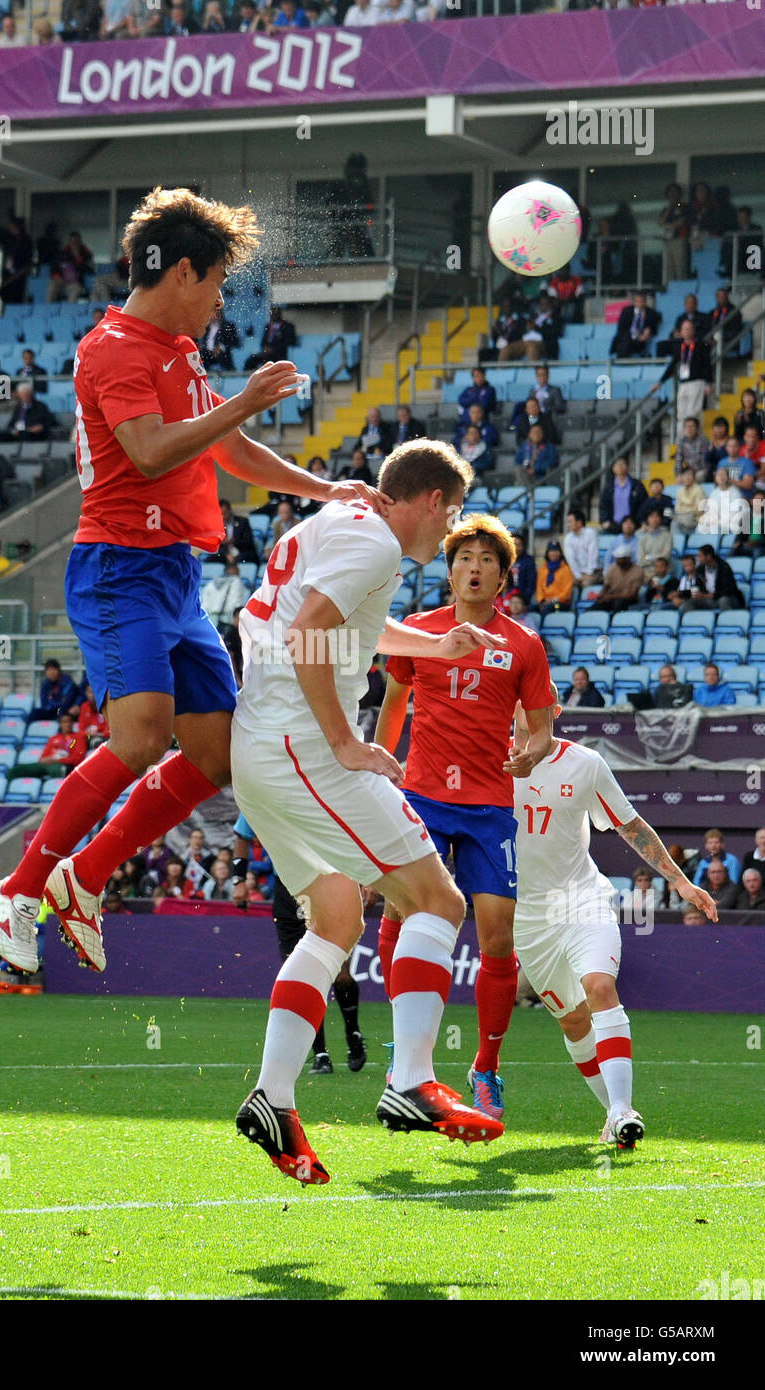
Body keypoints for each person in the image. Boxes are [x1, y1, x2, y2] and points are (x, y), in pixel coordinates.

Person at [0, 186, 384, 978]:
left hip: (173, 574)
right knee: (137, 739)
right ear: (185, 274)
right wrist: (242, 402)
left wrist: (325, 490)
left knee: (214, 753)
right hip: (117, 569)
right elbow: (152, 453)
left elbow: (225, 454)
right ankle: (19, 889)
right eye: (220, 285)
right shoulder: (112, 351)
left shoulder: (178, 351)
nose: (222, 302)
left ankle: (83, 879)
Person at [232, 443, 507, 1184]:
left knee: (334, 921)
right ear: (427, 500)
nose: (449, 529)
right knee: (436, 898)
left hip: (260, 745)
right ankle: (411, 1082)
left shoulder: (345, 522)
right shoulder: (375, 540)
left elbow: (343, 625)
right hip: (301, 744)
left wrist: (435, 643)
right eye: (449, 511)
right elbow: (311, 630)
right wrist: (344, 741)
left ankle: (273, 1099)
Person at [372, 510, 554, 1124]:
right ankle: (407, 1059)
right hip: (421, 795)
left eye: (487, 562)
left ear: (503, 577)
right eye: (464, 560)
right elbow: (394, 705)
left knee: (497, 936)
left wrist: (531, 753)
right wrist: (380, 764)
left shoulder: (524, 645)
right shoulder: (417, 633)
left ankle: (486, 1066)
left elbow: (542, 731)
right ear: (449, 572)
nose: (474, 569)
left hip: (490, 807)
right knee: (402, 911)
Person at [511, 691, 716, 1150]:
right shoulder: (488, 764)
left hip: (583, 899)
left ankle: (624, 1110)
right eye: (520, 699)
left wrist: (681, 883)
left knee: (600, 987)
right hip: (529, 915)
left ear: (555, 712)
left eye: (539, 701)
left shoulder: (585, 763)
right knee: (571, 1021)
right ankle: (611, 1113)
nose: (527, 708)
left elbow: (631, 825)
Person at [235, 809, 366, 1074]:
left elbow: (352, 832)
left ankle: (353, 1033)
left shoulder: (318, 784)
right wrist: (239, 880)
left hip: (330, 882)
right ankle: (320, 1054)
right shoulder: (261, 786)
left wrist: (364, 879)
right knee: (301, 974)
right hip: (287, 891)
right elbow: (242, 833)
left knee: (341, 975)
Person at [655, 320, 712, 434]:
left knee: (693, 413)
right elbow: (672, 365)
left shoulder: (700, 345)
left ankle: (695, 440)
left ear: (693, 331)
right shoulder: (679, 347)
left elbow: (707, 365)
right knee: (681, 414)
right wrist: (660, 382)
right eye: (684, 329)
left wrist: (708, 383)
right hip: (683, 384)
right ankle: (681, 439)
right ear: (680, 332)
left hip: (697, 382)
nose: (687, 331)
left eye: (689, 329)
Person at [8, 713, 88, 782]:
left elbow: (78, 758)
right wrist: (46, 759)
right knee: (15, 770)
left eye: (69, 722)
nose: (67, 724)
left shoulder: (78, 737)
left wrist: (58, 760)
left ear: (72, 723)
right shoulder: (54, 738)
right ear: (60, 724)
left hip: (63, 765)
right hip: (47, 764)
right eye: (64, 722)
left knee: (57, 769)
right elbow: (43, 758)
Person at [683, 545, 744, 612]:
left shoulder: (724, 567)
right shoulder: (700, 569)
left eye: (700, 556)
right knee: (688, 603)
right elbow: (697, 586)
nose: (698, 558)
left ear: (708, 556)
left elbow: (730, 590)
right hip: (708, 599)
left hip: (723, 597)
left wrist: (711, 595)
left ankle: (727, 620)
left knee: (723, 600)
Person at [599, 457, 648, 533]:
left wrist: (643, 521)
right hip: (613, 526)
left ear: (627, 467)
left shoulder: (637, 485)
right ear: (613, 469)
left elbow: (644, 504)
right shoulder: (608, 487)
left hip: (634, 525)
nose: (620, 466)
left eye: (623, 464)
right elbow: (603, 506)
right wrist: (604, 520)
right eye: (617, 465)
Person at [243, 304, 297, 369]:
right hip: (267, 352)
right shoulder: (268, 326)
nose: (273, 315)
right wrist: (265, 348)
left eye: (275, 313)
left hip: (279, 353)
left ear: (279, 314)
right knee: (251, 360)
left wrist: (274, 349)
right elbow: (263, 341)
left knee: (269, 361)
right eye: (272, 314)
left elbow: (290, 341)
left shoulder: (287, 326)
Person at [610, 291, 660, 358]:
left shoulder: (651, 313)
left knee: (627, 342)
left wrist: (648, 330)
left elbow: (655, 326)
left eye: (641, 301)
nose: (639, 304)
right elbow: (621, 328)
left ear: (645, 302)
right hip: (627, 338)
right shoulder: (626, 311)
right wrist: (633, 335)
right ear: (634, 302)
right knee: (625, 339)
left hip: (641, 340)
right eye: (637, 301)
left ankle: (624, 358)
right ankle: (623, 359)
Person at [201, 561, 247, 632]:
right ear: (237, 572)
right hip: (227, 622)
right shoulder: (237, 582)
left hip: (210, 621)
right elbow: (237, 603)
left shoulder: (211, 583)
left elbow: (204, 603)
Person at [535, 539, 573, 615]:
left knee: (548, 608)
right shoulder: (542, 569)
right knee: (532, 609)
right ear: (547, 553)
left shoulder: (566, 569)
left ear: (560, 553)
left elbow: (567, 592)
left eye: (556, 551)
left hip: (561, 602)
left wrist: (553, 600)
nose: (553, 553)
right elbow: (539, 588)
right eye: (551, 551)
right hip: (545, 601)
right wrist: (542, 600)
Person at [563, 509, 600, 587]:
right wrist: (578, 576)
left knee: (586, 583)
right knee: (565, 584)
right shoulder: (568, 538)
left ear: (579, 522)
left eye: (570, 522)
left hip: (594, 571)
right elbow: (570, 559)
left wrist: (588, 574)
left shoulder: (591, 533)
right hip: (578, 573)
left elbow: (593, 556)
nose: (568, 525)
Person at [215, 498, 257, 564]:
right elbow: (220, 546)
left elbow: (249, 541)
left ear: (230, 510)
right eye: (220, 514)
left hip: (242, 552)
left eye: (224, 513)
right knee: (209, 559)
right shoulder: (219, 526)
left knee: (243, 558)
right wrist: (226, 555)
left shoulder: (243, 522)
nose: (223, 517)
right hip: (227, 554)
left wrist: (234, 541)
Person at [636, 510, 672, 578]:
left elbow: (666, 556)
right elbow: (640, 560)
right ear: (647, 519)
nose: (654, 519)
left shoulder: (668, 536)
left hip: (663, 573)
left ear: (660, 519)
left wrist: (649, 558)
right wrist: (659, 557)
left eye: (657, 516)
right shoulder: (643, 538)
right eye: (651, 516)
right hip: (646, 573)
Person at [673, 466, 707, 535]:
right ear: (682, 478)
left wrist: (684, 507)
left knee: (680, 520)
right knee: (674, 523)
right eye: (685, 475)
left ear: (694, 478)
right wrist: (690, 507)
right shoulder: (679, 491)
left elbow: (699, 509)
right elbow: (677, 509)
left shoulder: (699, 490)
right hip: (682, 517)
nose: (687, 477)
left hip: (695, 519)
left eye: (689, 475)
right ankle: (678, 545)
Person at [509, 531, 537, 606]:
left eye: (519, 545)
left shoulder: (529, 561)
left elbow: (531, 584)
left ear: (523, 546)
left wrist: (524, 599)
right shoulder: (505, 559)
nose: (516, 548)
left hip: (523, 599)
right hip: (507, 598)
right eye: (514, 544)